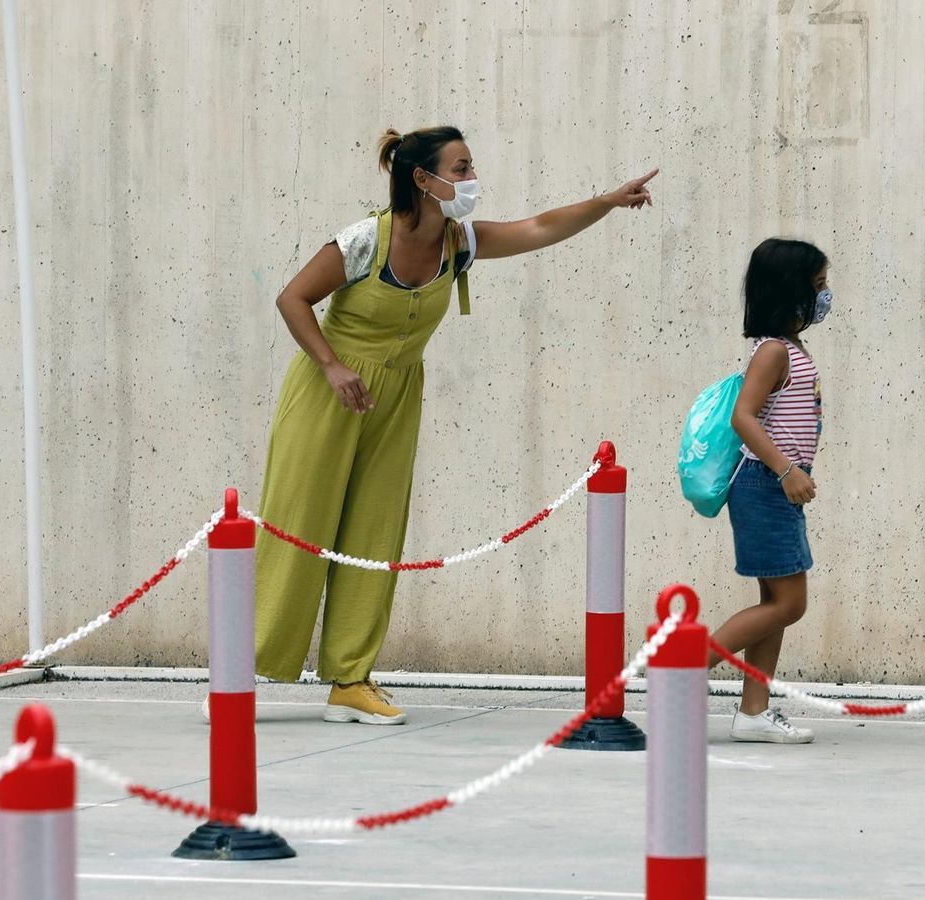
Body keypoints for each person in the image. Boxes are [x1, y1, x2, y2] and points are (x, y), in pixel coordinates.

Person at [254, 125, 656, 725]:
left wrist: (604, 202)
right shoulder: (366, 239)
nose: (472, 181)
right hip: (328, 390)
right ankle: (238, 673)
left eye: (470, 168)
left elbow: (540, 227)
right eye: (461, 168)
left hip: (397, 395)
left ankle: (349, 679)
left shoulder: (458, 242)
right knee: (299, 525)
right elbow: (292, 298)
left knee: (374, 534)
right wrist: (332, 366)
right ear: (423, 179)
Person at [705, 238, 831, 744]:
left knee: (772, 602)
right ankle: (683, 667)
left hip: (774, 486)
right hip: (765, 484)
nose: (825, 296)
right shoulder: (774, 351)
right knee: (790, 604)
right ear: (791, 291)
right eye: (818, 287)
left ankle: (753, 711)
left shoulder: (789, 347)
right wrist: (786, 471)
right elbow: (743, 418)